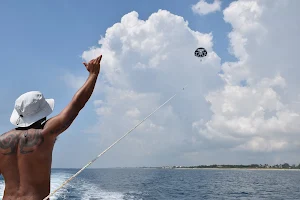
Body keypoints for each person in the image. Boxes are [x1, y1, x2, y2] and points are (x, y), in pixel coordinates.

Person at [0, 55, 102, 200]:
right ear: (42, 114)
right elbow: (77, 104)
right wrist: (93, 74)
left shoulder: (2, 140)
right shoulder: (45, 133)